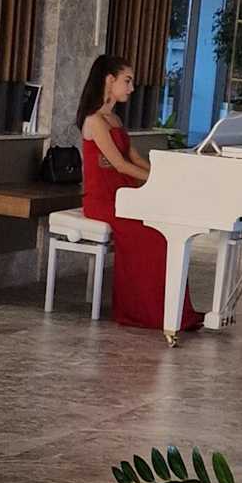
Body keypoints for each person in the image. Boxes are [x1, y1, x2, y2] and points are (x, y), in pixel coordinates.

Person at [79, 54, 202, 332]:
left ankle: (171, 312)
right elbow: (120, 164)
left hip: (125, 196)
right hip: (103, 200)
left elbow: (134, 158)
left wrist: (165, 176)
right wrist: (157, 181)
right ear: (109, 80)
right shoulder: (95, 121)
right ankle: (145, 312)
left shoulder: (114, 119)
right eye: (127, 81)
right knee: (152, 235)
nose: (132, 87)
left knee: (167, 231)